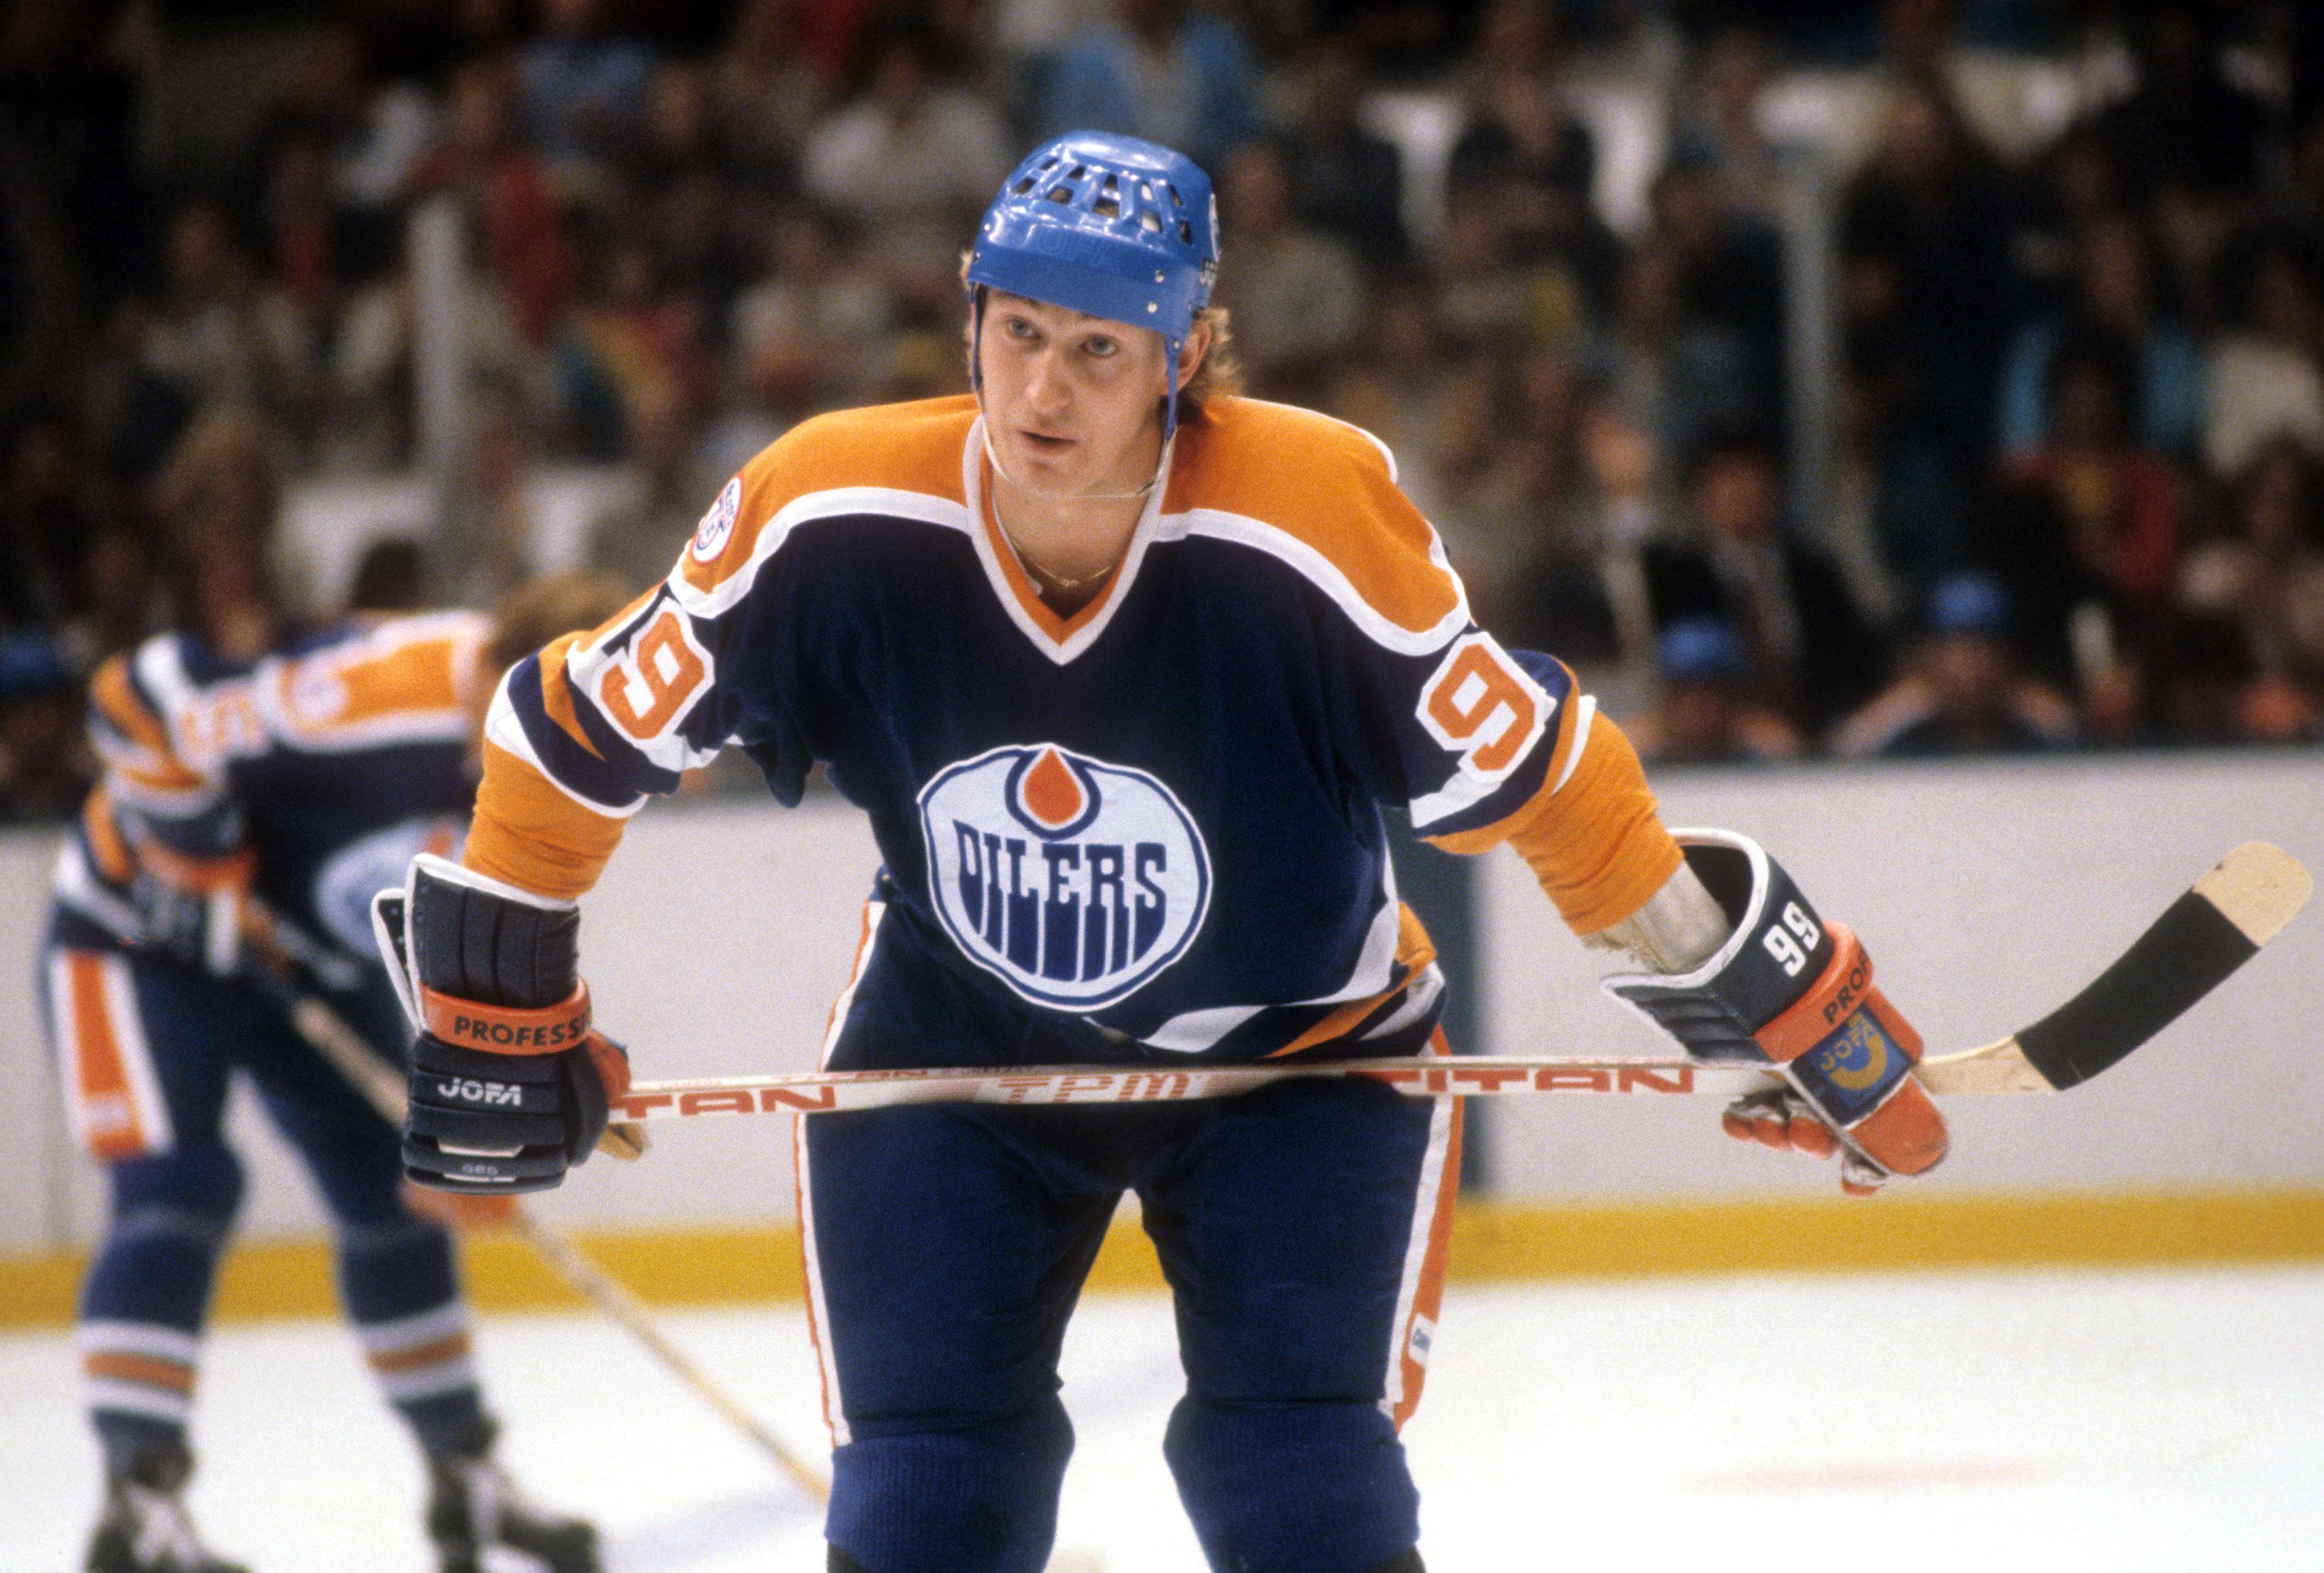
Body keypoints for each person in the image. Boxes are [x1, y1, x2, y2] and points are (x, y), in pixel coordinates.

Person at [390, 133, 1950, 1573]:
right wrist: (501, 1001)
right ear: (968, 322)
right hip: (958, 1053)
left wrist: (1754, 1004)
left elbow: (1556, 789)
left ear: (1183, 355)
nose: (1040, 396)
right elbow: (570, 732)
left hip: (1300, 1062)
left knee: (1298, 1486)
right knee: (930, 1492)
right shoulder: (824, 508)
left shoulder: (1308, 511)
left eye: (1096, 350)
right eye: (1014, 334)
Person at [43, 520, 624, 1570]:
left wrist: (482, 1107)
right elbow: (137, 697)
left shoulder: (553, 765)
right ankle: (140, 1509)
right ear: (508, 678)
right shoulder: (373, 695)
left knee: (396, 1187)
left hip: (303, 957)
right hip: (137, 936)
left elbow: (471, 952)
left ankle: (466, 1479)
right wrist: (202, 866)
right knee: (178, 1186)